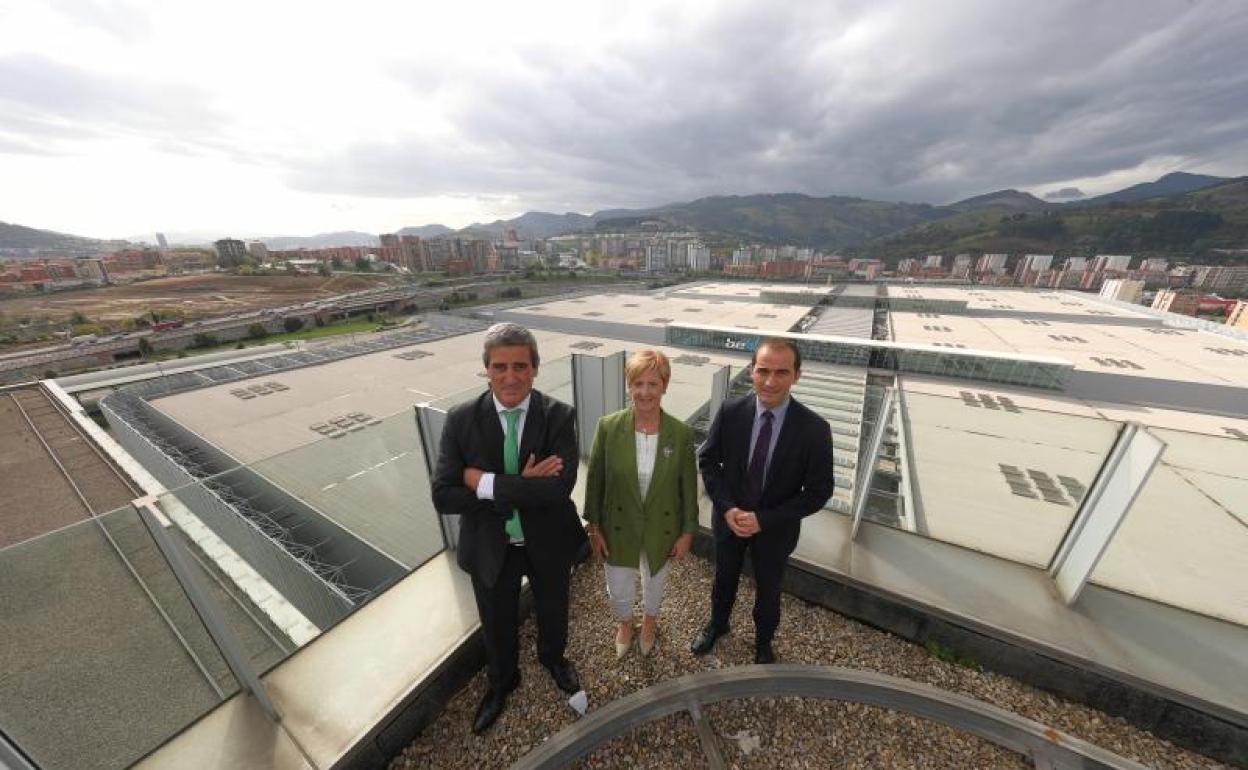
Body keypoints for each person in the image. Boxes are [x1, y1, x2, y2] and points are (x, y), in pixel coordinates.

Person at [431, 323, 587, 734]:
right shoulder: (462, 420)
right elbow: (443, 496)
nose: (510, 376)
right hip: (489, 545)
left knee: (554, 610)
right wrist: (524, 484)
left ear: (535, 369)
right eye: (500, 367)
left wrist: (482, 482)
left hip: (547, 540)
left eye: (520, 366)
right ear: (487, 370)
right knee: (496, 622)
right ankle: (502, 682)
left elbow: (559, 488)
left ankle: (554, 659)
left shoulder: (559, 416)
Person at [690, 337, 834, 664]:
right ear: (752, 371)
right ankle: (717, 625)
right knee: (723, 579)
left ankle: (763, 642)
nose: (770, 381)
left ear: (797, 375)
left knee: (769, 591)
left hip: (775, 530)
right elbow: (709, 463)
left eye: (781, 372)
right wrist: (727, 509)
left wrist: (764, 519)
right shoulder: (730, 412)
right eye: (762, 370)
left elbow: (819, 490)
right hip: (730, 522)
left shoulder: (814, 429)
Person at [583, 349, 697, 659]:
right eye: (638, 383)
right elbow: (595, 482)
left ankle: (649, 621)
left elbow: (688, 486)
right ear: (628, 385)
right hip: (618, 524)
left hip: (662, 525)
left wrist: (687, 532)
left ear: (665, 386)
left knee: (655, 580)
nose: (644, 392)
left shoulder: (681, 433)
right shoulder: (607, 427)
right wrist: (594, 528)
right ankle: (624, 623)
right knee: (618, 585)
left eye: (653, 384)